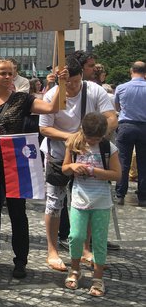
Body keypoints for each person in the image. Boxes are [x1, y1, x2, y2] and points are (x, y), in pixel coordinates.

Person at [0, 59, 65, 278]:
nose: (8, 77)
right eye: (3, 73)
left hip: (16, 162)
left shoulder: (23, 99)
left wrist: (60, 83)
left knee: (17, 213)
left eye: (11, 73)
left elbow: (53, 107)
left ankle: (20, 260)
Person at [39, 57, 117, 271]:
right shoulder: (51, 94)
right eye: (67, 83)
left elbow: (111, 117)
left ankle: (85, 248)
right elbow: (45, 128)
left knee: (88, 200)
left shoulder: (94, 91)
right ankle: (52, 250)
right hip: (58, 152)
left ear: (81, 76)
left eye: (75, 81)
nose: (72, 87)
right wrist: (71, 137)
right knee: (55, 201)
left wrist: (94, 134)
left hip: (88, 152)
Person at [62, 112, 120, 297]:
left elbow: (117, 174)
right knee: (76, 236)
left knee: (99, 240)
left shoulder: (108, 148)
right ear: (83, 132)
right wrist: (72, 167)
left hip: (101, 200)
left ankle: (98, 277)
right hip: (80, 198)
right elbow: (64, 168)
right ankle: (75, 269)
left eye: (97, 139)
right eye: (90, 138)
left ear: (103, 135)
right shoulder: (74, 144)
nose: (93, 142)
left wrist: (95, 171)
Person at [114, 61, 146, 206]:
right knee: (143, 163)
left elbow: (117, 106)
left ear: (131, 71)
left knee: (123, 161)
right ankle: (143, 195)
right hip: (144, 126)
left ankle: (120, 193)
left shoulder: (121, 88)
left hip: (126, 125)